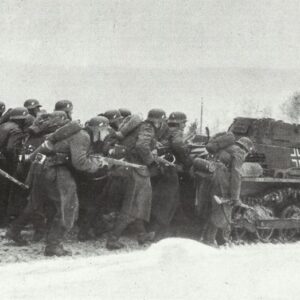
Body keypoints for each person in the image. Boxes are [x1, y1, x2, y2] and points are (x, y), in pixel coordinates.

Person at [105, 108, 167, 250]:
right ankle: (113, 239)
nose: (162, 124)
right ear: (157, 120)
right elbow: (141, 145)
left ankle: (142, 235)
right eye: (161, 121)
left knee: (139, 203)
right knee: (132, 205)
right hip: (137, 170)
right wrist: (151, 162)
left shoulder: (138, 127)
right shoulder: (148, 127)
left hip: (129, 169)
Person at [202, 135, 254, 246]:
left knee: (214, 207)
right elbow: (236, 175)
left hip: (213, 177)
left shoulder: (228, 147)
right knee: (221, 210)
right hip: (222, 181)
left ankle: (207, 237)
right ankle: (210, 241)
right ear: (246, 148)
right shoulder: (239, 152)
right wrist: (235, 197)